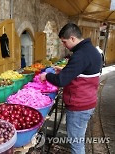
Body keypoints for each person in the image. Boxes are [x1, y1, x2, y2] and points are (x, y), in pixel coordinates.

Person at [40, 23, 102, 154]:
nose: (64, 45)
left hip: (79, 106)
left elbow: (61, 81)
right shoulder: (91, 50)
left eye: (64, 42)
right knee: (78, 138)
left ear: (73, 38)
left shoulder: (80, 55)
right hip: (87, 102)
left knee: (76, 144)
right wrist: (65, 70)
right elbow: (84, 72)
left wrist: (47, 76)